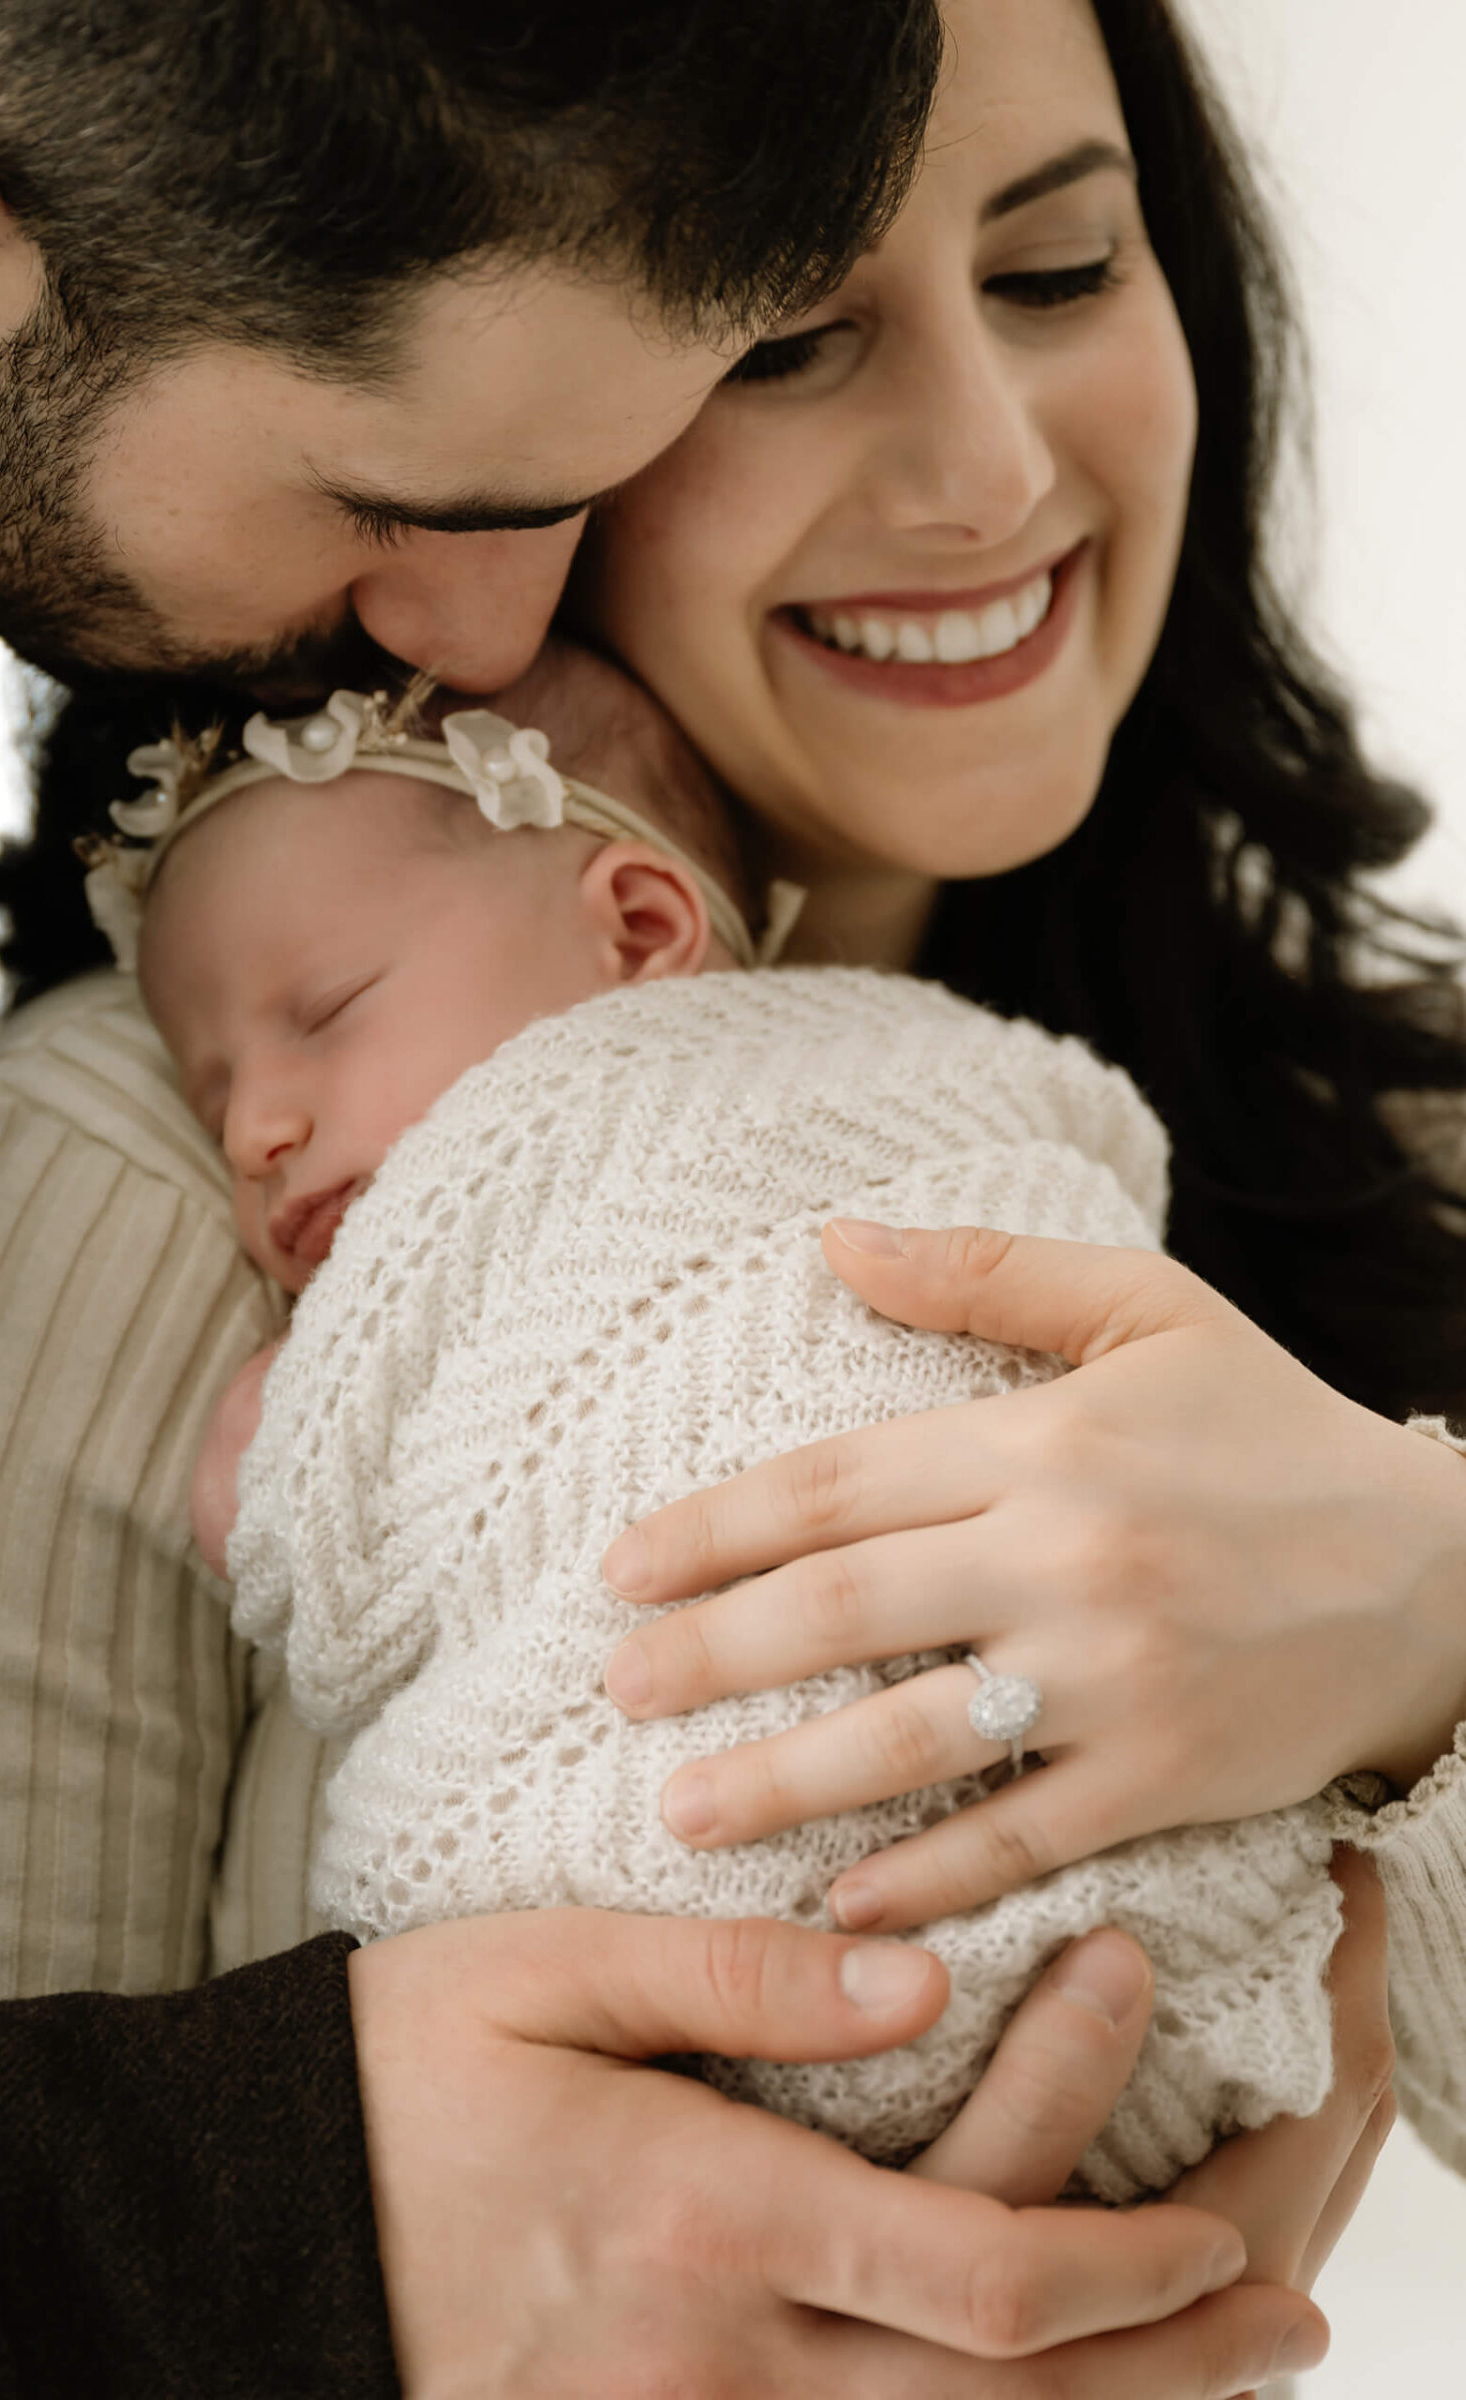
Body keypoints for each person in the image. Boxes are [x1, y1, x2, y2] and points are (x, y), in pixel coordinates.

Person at [0, 0, 1399, 2390]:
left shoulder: (1297, 1132)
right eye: (778, 341)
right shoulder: (153, 1186)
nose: (984, 472)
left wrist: (1417, 1627)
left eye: (1063, 268)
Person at [114, 640, 1338, 2202]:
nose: (254, 1127)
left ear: (639, 928)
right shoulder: (102, 1164)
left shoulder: (881, 1105)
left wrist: (276, 1471)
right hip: (693, 2065)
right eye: (209, 1085)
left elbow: (1125, 1397)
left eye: (328, 1010)